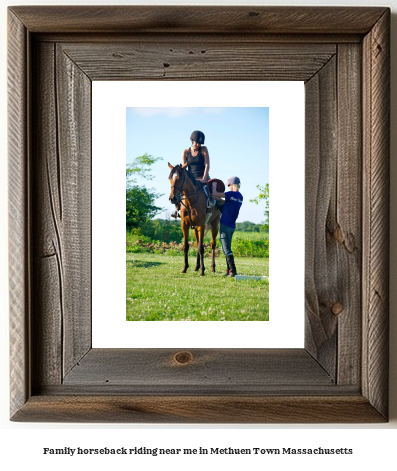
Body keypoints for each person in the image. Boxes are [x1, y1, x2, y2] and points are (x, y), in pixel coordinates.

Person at [171, 130, 211, 218]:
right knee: (179, 187)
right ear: (192, 140)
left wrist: (204, 179)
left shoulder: (204, 149)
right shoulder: (185, 152)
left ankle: (210, 207)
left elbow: (207, 165)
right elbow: (183, 168)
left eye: (200, 143)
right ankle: (177, 208)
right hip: (190, 178)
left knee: (210, 189)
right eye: (197, 142)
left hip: (202, 176)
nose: (198, 145)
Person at [212, 176, 243, 277]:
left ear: (232, 185)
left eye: (229, 185)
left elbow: (215, 193)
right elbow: (227, 202)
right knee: (228, 249)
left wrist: (214, 185)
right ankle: (228, 271)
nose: (228, 187)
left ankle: (233, 271)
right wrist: (218, 199)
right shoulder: (240, 196)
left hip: (225, 225)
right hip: (232, 226)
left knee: (226, 250)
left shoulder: (230, 194)